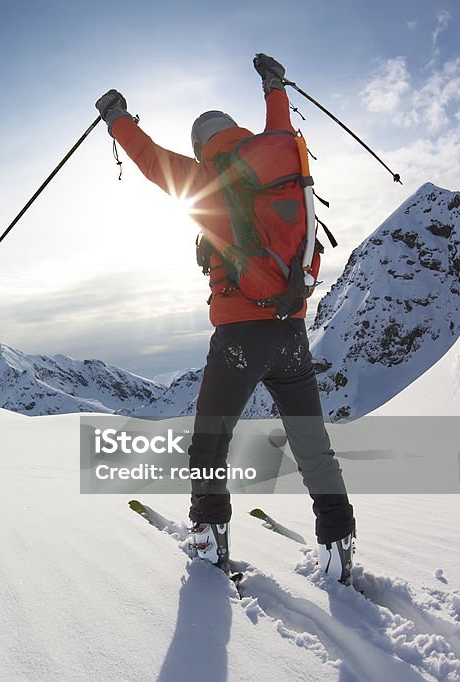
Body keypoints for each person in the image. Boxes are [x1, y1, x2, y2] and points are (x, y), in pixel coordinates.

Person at [95, 54, 356, 584]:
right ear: (235, 132)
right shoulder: (278, 154)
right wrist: (273, 83)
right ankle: (338, 544)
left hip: (240, 334)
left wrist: (117, 117)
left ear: (201, 146)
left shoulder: (204, 177)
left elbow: (148, 159)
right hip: (292, 328)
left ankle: (210, 541)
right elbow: (281, 117)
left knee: (210, 443)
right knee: (312, 443)